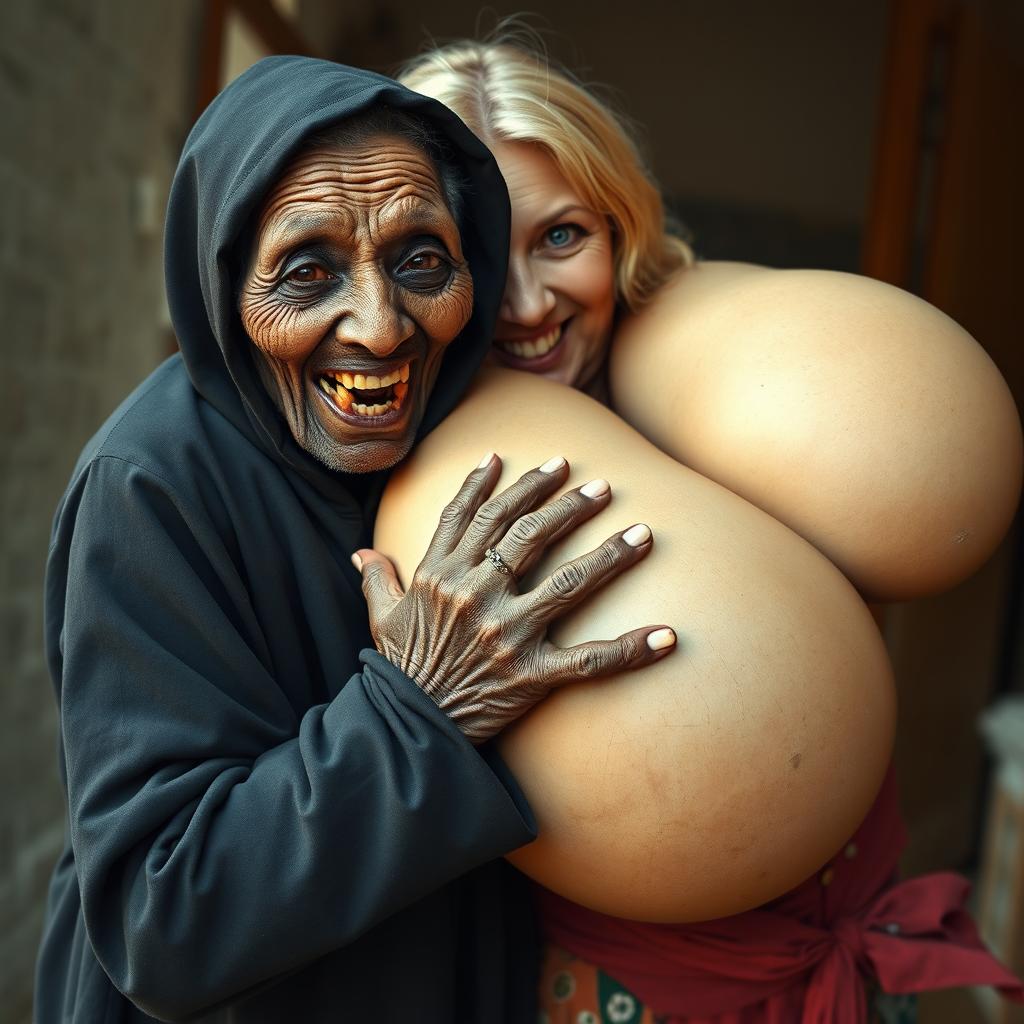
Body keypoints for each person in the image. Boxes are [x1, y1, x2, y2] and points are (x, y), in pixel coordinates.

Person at [33, 55, 678, 1023]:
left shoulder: (452, 430)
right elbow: (162, 918)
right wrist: (424, 704)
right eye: (306, 271)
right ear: (219, 277)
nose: (380, 328)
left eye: (422, 261)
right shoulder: (153, 483)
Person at [397, 35, 1024, 1023]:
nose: (526, 305)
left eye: (560, 237)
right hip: (620, 989)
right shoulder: (416, 470)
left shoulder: (712, 363)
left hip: (851, 949)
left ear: (619, 225)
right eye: (473, 254)